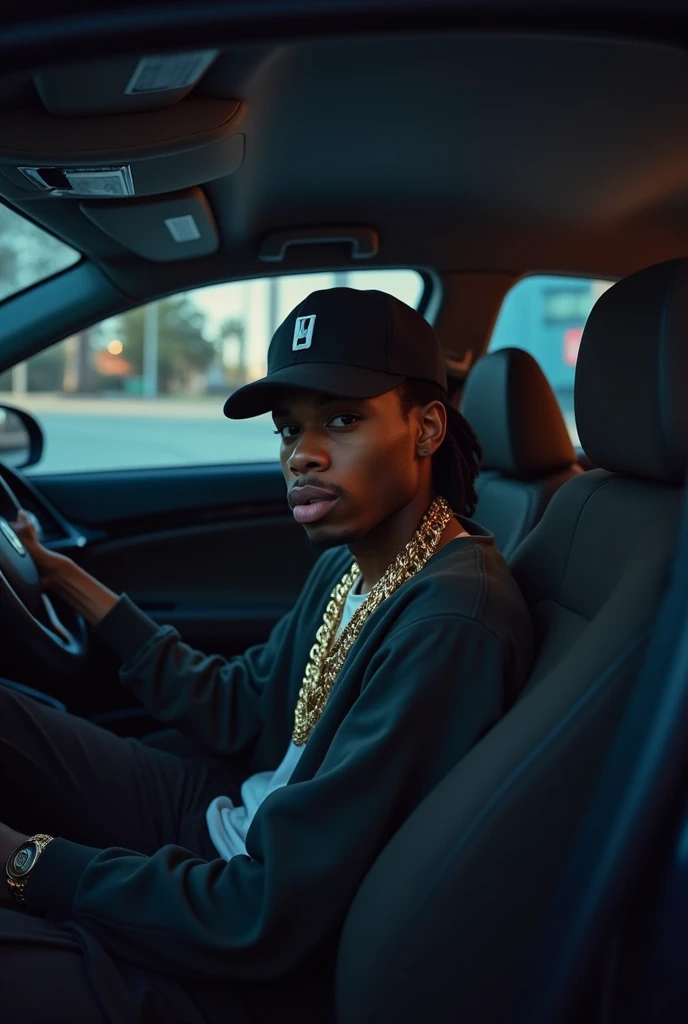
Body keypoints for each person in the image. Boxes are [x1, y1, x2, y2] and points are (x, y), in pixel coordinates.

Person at [0, 288, 533, 1023]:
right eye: (288, 430)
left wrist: (28, 863)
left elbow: (264, 912)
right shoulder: (355, 561)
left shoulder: (450, 623)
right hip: (224, 820)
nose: (301, 454)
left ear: (426, 427)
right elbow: (237, 709)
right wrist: (60, 574)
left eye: (342, 420)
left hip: (252, 945)